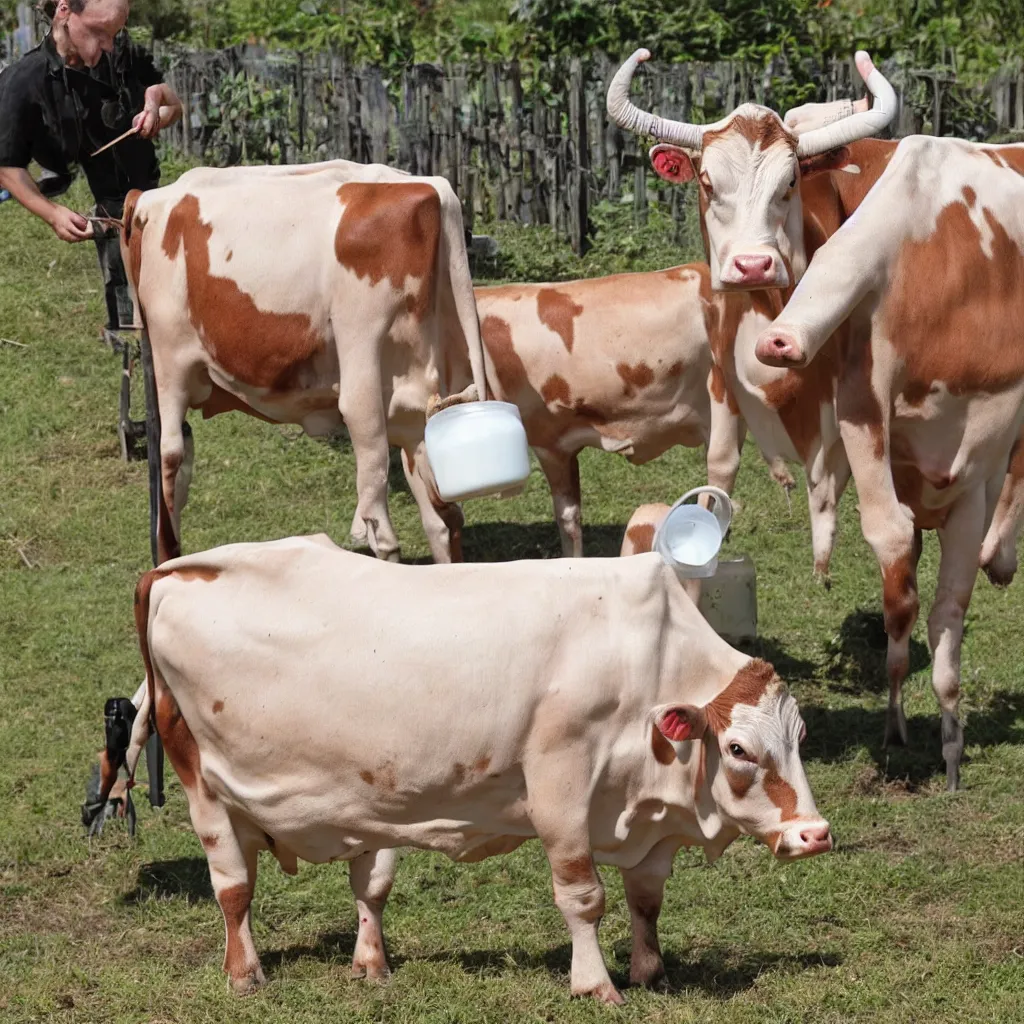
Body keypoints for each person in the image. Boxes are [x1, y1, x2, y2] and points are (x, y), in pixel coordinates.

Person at [0, 0, 182, 328]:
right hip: (107, 205)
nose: (109, 45)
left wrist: (155, 106)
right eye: (99, 32)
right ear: (64, 11)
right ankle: (126, 332)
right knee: (126, 305)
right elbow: (7, 166)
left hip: (150, 195)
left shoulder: (124, 55)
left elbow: (173, 105)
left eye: (115, 33)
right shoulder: (21, 83)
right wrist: (52, 213)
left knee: (168, 292)